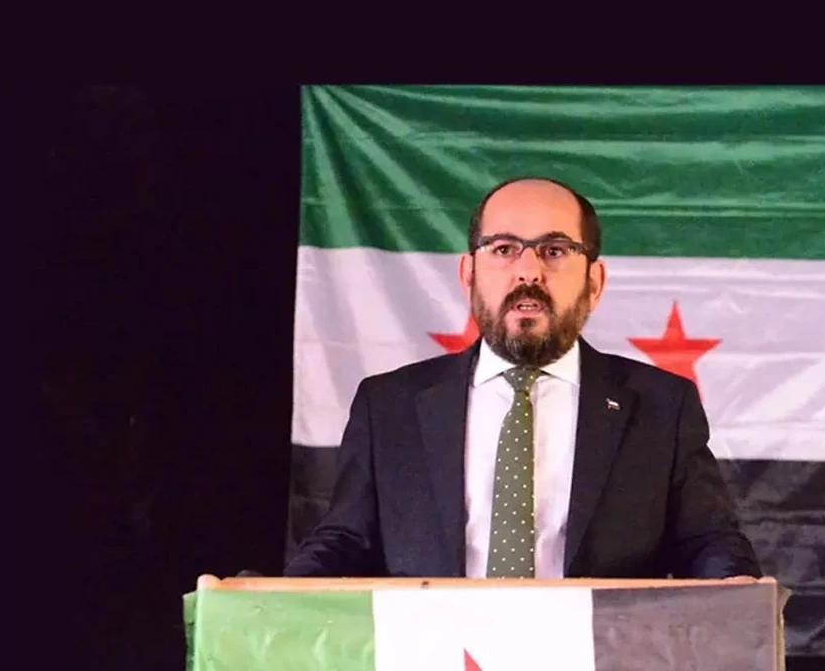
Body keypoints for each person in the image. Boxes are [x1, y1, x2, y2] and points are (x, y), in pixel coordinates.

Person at [284, 177, 762, 580]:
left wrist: (735, 588)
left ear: (594, 283)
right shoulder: (388, 404)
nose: (528, 272)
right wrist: (275, 602)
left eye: (555, 250)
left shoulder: (662, 406)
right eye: (504, 249)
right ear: (468, 275)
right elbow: (345, 540)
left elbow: (707, 542)